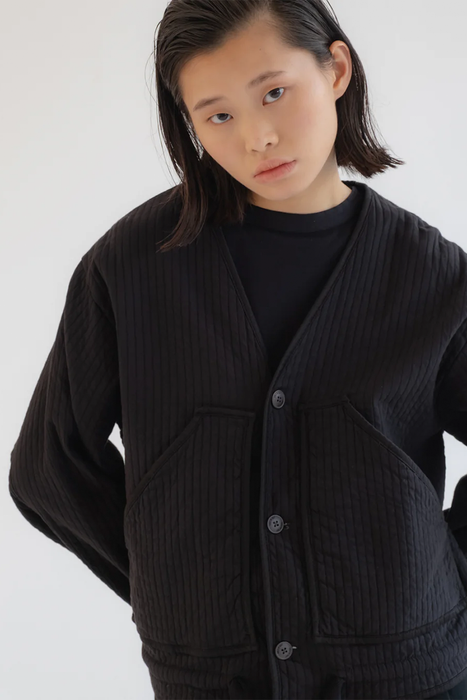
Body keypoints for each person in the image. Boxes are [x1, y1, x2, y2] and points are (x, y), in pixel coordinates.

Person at [9, 1, 467, 698]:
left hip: (411, 674)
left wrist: (440, 577)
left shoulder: (432, 276)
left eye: (274, 92)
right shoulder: (132, 268)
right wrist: (176, 590)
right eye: (218, 115)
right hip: (213, 681)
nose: (257, 137)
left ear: (335, 69)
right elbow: (49, 466)